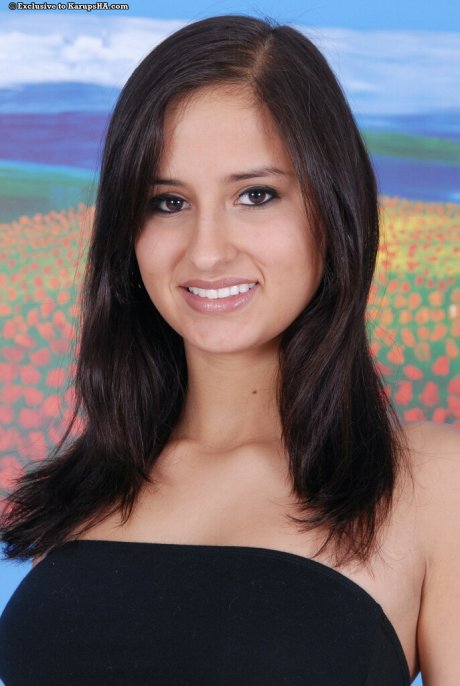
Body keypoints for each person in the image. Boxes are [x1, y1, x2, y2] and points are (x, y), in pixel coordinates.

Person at [0, 14, 458, 686]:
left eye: (255, 195)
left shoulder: (433, 484)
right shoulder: (89, 486)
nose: (207, 251)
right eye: (167, 202)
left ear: (334, 212)